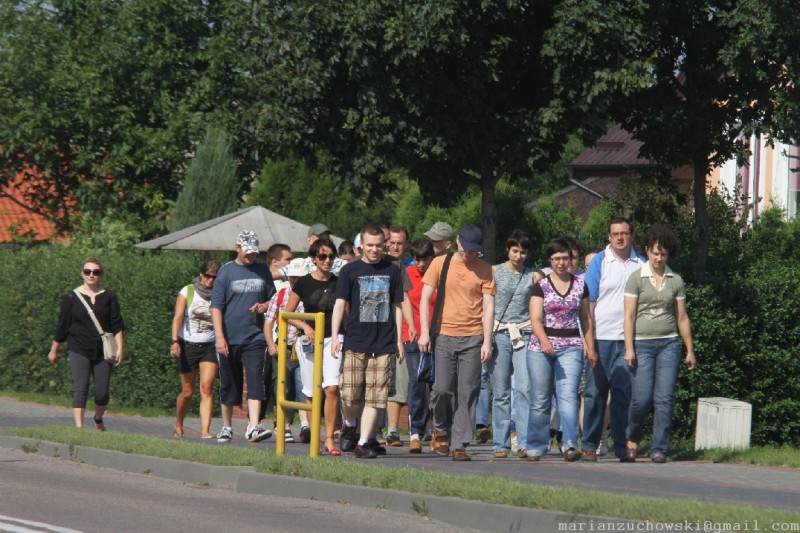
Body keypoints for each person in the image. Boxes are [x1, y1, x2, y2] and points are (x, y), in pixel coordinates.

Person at [418, 225, 496, 461]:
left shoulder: (486, 270)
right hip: (444, 336)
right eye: (465, 248)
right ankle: (441, 429)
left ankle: (459, 443)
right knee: (442, 389)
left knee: (468, 391)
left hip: (473, 338)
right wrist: (424, 333)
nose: (468, 254)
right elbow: (425, 298)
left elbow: (489, 307)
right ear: (458, 242)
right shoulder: (440, 263)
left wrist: (487, 341)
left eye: (473, 251)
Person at [623, 224, 697, 463]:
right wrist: (629, 348)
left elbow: (682, 317)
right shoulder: (636, 278)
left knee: (664, 398)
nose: (658, 258)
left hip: (668, 344)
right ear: (647, 251)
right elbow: (629, 316)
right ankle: (632, 435)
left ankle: (659, 449)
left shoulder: (675, 280)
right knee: (642, 398)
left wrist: (689, 350)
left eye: (663, 254)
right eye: (655, 253)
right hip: (642, 344)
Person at [331, 223, 405, 459]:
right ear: (361, 245)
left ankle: (363, 443)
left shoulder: (392, 270)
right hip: (355, 341)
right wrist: (335, 336)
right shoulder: (349, 271)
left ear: (384, 246)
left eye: (378, 245)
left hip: (383, 343)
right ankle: (350, 423)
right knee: (350, 395)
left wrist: (399, 340)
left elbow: (397, 305)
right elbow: (340, 304)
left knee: (376, 396)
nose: (374, 250)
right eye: (370, 245)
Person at [581, 217, 646, 462]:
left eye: (624, 233)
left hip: (628, 341)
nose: (620, 237)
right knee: (595, 394)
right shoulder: (600, 262)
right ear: (609, 237)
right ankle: (589, 445)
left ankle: (622, 447)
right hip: (601, 338)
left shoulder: (642, 263)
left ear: (631, 236)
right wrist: (589, 343)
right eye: (615, 234)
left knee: (623, 395)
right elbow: (588, 305)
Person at [526, 239, 596, 462]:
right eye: (556, 259)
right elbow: (535, 319)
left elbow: (585, 319)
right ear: (550, 260)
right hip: (541, 346)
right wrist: (544, 340)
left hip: (571, 346)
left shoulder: (580, 285)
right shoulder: (541, 286)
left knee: (568, 396)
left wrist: (591, 347)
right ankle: (536, 445)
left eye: (565, 258)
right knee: (540, 398)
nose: (561, 263)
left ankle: (569, 443)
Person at [211, 230, 276, 444]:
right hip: (229, 337)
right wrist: (220, 337)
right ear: (237, 248)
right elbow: (216, 307)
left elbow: (273, 299)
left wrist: (264, 306)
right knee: (229, 383)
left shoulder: (262, 270)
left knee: (256, 379)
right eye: (247, 252)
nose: (251, 256)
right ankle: (226, 426)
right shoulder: (226, 272)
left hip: (255, 336)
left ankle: (254, 426)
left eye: (254, 253)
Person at [48, 257, 124, 430]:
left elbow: (117, 325)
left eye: (95, 272)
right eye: (87, 271)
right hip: (78, 348)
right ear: (82, 273)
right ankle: (79, 428)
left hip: (103, 350)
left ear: (101, 275)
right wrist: (54, 350)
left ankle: (98, 418)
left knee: (102, 393)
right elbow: (62, 326)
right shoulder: (71, 298)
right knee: (80, 387)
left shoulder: (109, 297)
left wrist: (120, 348)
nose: (91, 275)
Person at [284, 238, 343, 455]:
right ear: (314, 259)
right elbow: (287, 313)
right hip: (309, 341)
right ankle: (315, 439)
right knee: (311, 391)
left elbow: (346, 311)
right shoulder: (303, 283)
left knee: (332, 388)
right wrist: (305, 326)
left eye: (331, 256)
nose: (327, 260)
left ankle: (329, 439)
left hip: (333, 338)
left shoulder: (339, 282)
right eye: (322, 256)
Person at [489, 230, 533, 459]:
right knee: (501, 391)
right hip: (499, 333)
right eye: (515, 251)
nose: (518, 256)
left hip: (524, 332)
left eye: (523, 252)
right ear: (508, 250)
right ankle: (501, 444)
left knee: (525, 388)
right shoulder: (495, 271)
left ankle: (524, 442)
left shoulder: (532, 275)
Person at [169, 259, 221, 439]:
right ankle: (178, 424)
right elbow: (177, 317)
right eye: (207, 276)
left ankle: (205, 430)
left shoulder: (219, 293)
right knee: (187, 391)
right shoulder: (188, 291)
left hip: (209, 345)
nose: (210, 280)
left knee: (207, 387)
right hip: (188, 345)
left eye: (214, 277)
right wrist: (174, 341)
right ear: (201, 274)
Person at [264, 258, 308, 444]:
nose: (294, 280)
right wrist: (271, 344)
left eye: (299, 277)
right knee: (283, 387)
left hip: (305, 348)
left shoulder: (310, 295)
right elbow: (268, 322)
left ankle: (306, 425)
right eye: (292, 277)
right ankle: (285, 424)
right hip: (284, 347)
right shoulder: (280, 295)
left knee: (304, 387)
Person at [402, 237, 437, 453]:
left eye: (425, 259)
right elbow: (403, 302)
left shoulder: (439, 274)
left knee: (437, 385)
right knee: (417, 381)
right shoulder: (407, 274)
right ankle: (415, 431)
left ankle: (436, 430)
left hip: (437, 336)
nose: (421, 264)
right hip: (412, 335)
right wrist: (408, 330)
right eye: (416, 259)